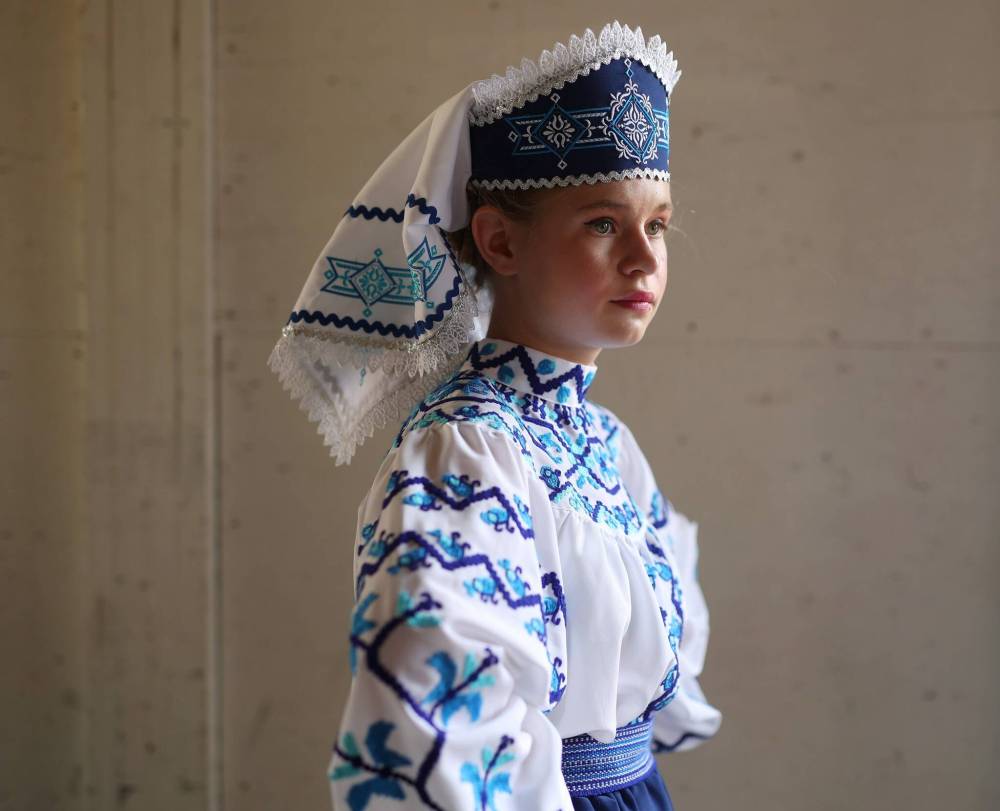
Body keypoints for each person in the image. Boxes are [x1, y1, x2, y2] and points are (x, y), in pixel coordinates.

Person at [268, 21, 722, 810]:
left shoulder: (608, 443)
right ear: (499, 241)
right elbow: (434, 717)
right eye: (603, 223)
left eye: (657, 225)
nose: (645, 258)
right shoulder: (464, 448)